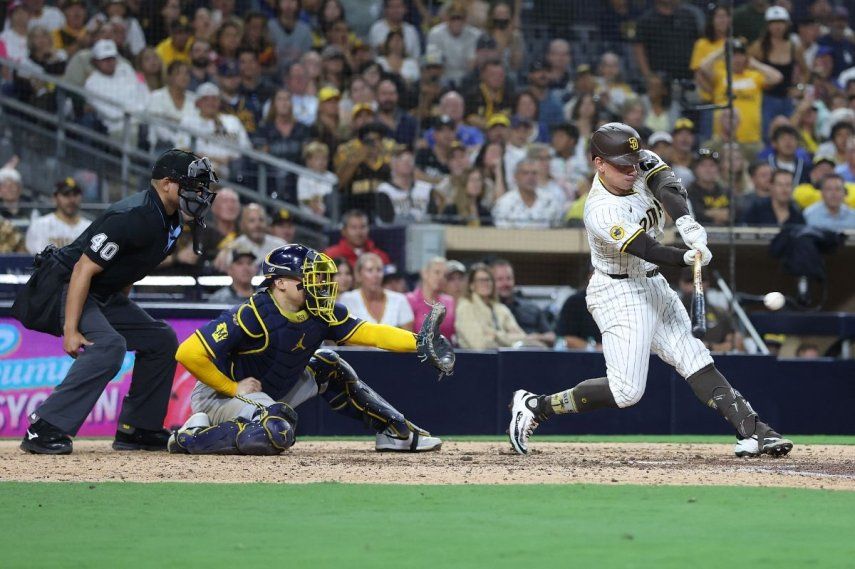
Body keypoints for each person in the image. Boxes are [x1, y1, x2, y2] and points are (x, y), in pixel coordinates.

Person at [508, 122, 793, 459]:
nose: (632, 169)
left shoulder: (637, 160)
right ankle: (536, 406)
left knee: (694, 357)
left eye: (634, 161)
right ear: (598, 163)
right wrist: (686, 257)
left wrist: (687, 223)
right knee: (626, 391)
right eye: (621, 165)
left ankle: (756, 432)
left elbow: (667, 184)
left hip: (652, 281)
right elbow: (646, 247)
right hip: (617, 291)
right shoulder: (600, 210)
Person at [13, 150, 218, 455]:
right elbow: (83, 268)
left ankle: (138, 429)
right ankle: (44, 428)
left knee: (160, 339)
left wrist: (121, 310)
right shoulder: (133, 216)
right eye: (192, 185)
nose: (199, 193)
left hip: (99, 292)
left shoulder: (171, 219)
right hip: (61, 286)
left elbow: (130, 268)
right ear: (165, 184)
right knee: (109, 345)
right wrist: (71, 330)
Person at [169, 244, 449, 455]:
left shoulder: (319, 310)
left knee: (328, 363)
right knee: (274, 430)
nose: (317, 283)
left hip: (269, 392)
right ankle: (192, 434)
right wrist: (231, 387)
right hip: (220, 396)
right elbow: (187, 353)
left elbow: (370, 333)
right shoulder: (251, 313)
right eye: (308, 277)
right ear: (280, 282)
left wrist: (418, 342)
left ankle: (395, 431)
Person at [455, 263, 526, 349]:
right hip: (477, 359)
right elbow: (480, 345)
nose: (486, 283)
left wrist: (495, 335)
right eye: (481, 280)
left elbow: (522, 337)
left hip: (507, 358)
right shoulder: (465, 307)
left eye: (488, 280)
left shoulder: (501, 308)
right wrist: (510, 340)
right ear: (472, 285)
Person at [339, 252, 414, 330]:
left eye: (379, 270)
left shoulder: (399, 300)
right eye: (370, 270)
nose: (375, 275)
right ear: (358, 275)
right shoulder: (347, 300)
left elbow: (408, 336)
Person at [490, 258, 556, 347]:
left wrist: (537, 337)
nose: (505, 283)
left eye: (509, 278)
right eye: (500, 279)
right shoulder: (486, 310)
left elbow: (552, 337)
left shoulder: (531, 308)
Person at [677, 267, 744, 353]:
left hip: (715, 362)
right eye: (690, 281)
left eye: (700, 281)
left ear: (707, 284)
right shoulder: (668, 313)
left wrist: (708, 346)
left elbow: (735, 344)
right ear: (681, 284)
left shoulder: (719, 313)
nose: (695, 285)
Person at [25, 178, 91, 254]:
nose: (72, 200)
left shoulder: (89, 227)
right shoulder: (40, 225)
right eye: (66, 195)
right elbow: (34, 257)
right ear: (55, 198)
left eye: (75, 195)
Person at [492, 159, 564, 229]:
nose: (531, 177)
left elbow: (558, 229)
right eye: (525, 173)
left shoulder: (550, 201)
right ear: (515, 176)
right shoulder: (504, 203)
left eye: (534, 173)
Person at [216, 204, 287, 271]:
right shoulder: (233, 248)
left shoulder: (280, 245)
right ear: (243, 225)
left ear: (267, 223)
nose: (257, 225)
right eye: (252, 221)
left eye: (261, 220)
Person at [407, 257, 456, 340]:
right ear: (424, 273)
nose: (441, 277)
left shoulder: (450, 302)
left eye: (444, 275)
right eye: (437, 272)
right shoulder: (409, 300)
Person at [323, 209, 391, 266]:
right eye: (353, 227)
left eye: (363, 227)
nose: (359, 232)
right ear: (344, 231)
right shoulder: (329, 256)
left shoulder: (380, 257)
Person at [554, 271, 601, 351]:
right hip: (583, 358)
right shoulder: (575, 302)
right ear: (591, 276)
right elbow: (563, 338)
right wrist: (593, 348)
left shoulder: (622, 302)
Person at [688, 149, 730, 226]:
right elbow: (696, 215)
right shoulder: (688, 192)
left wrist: (708, 213)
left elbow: (735, 213)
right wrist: (719, 215)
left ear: (718, 169)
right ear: (695, 169)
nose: (708, 169)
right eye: (703, 165)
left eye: (712, 165)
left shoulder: (726, 191)